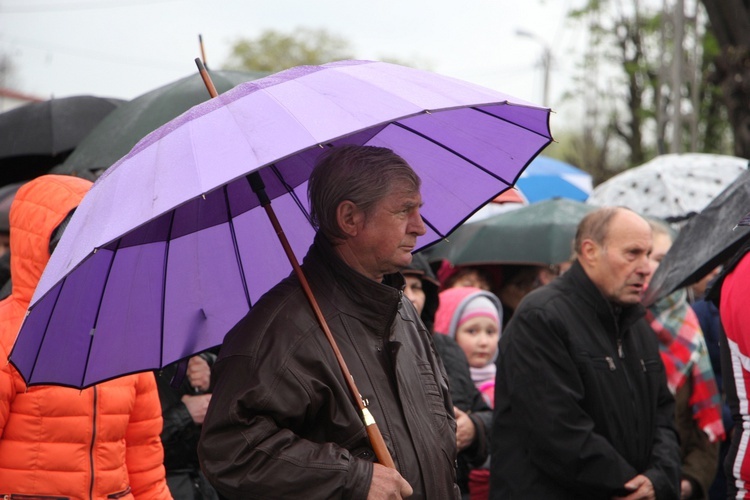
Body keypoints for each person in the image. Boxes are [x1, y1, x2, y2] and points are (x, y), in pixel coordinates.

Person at [199, 145, 460, 499]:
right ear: (350, 218)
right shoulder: (281, 329)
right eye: (404, 211)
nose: (420, 228)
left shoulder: (401, 310)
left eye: (419, 210)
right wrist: (353, 478)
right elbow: (231, 451)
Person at [490, 206, 681, 499]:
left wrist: (658, 479)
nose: (645, 267)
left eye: (648, 254)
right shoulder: (542, 318)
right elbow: (556, 430)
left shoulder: (638, 325)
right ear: (590, 251)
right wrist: (630, 484)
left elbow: (664, 418)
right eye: (632, 253)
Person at [0, 175, 171, 499]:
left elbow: (145, 461)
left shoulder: (122, 335)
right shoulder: (6, 335)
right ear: (40, 245)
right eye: (72, 240)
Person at [645, 219, 723, 500]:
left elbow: (706, 416)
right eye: (645, 256)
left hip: (678, 480)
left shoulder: (687, 322)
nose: (650, 267)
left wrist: (691, 479)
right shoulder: (616, 322)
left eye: (664, 259)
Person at [403, 256, 492, 499]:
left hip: (457, 487)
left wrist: (475, 428)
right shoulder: (372, 348)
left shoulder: (448, 349)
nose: (411, 296)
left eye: (417, 287)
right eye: (401, 286)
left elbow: (485, 411)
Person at [434, 286, 503, 500]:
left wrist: (476, 425)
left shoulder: (505, 376)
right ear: (449, 328)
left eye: (491, 332)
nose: (483, 341)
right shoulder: (442, 371)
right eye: (472, 331)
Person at [157, 351, 219, 499]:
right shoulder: (130, 370)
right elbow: (139, 441)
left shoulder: (192, 358)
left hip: (203, 482)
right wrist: (185, 413)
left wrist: (212, 374)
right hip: (168, 485)